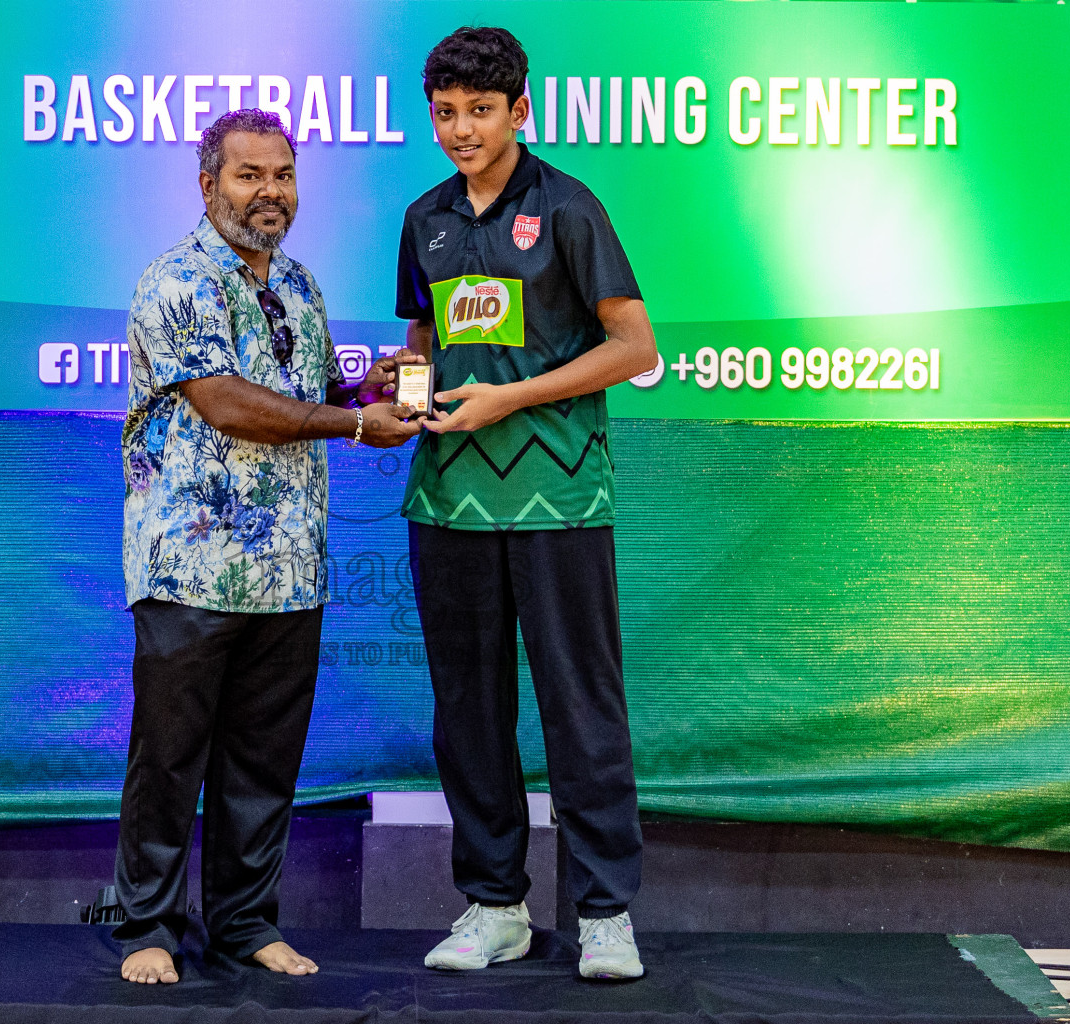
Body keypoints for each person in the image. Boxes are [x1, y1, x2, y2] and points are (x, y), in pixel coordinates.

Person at [115, 108, 420, 985]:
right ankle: (147, 929)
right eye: (249, 175)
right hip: (190, 565)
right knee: (169, 759)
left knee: (263, 764)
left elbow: (306, 393)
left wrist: (369, 389)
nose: (270, 192)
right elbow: (229, 404)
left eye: (283, 175)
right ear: (207, 183)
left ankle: (245, 924)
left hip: (290, 570)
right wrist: (357, 423)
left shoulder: (301, 284)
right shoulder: (175, 280)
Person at [393, 27, 660, 979]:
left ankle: (603, 915)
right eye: (446, 113)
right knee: (468, 711)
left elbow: (636, 350)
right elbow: (429, 337)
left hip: (560, 496)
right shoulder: (424, 216)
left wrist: (512, 396)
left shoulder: (568, 208)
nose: (461, 130)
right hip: (449, 503)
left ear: (520, 111)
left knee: (580, 707)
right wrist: (406, 380)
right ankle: (494, 904)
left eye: (480, 111)